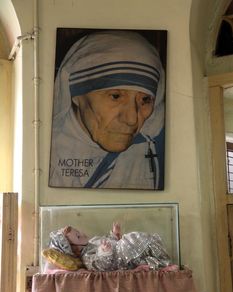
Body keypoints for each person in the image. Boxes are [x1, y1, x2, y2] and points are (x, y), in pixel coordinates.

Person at [49, 30, 166, 189]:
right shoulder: (40, 154)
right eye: (116, 96)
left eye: (145, 100)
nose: (132, 119)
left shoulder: (164, 146)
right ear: (75, 94)